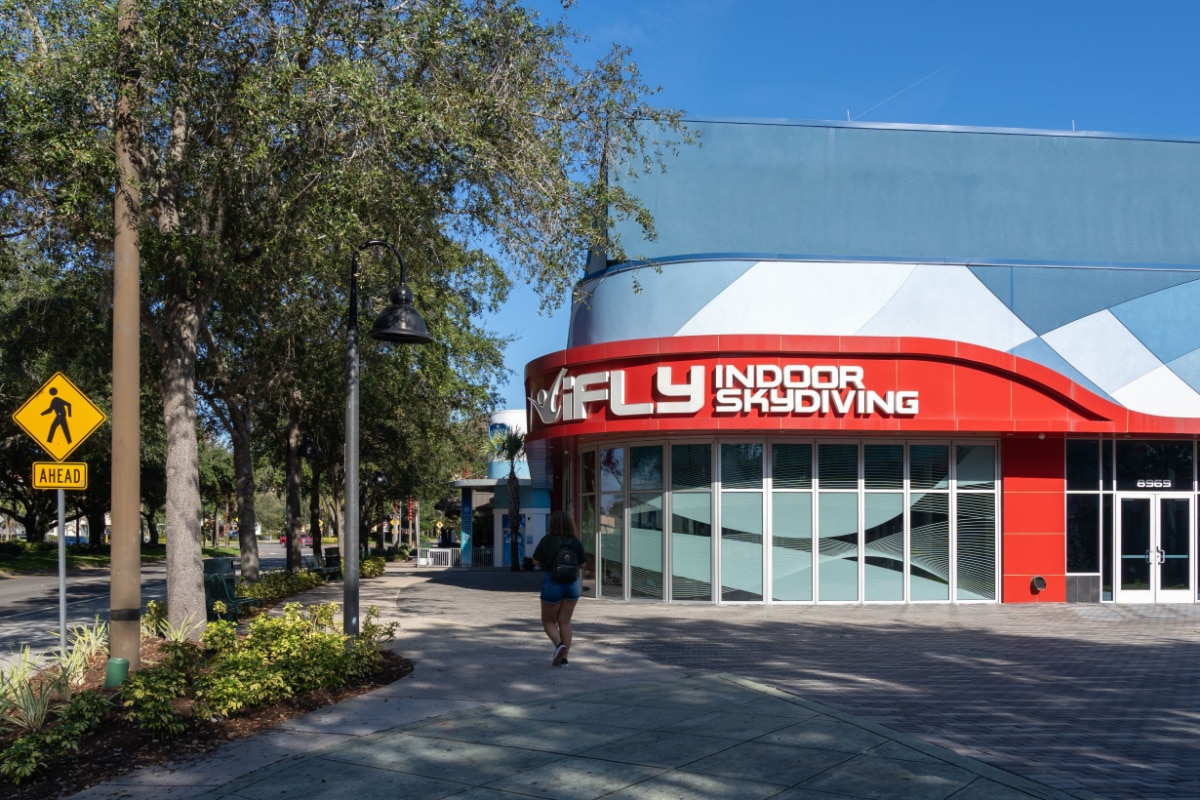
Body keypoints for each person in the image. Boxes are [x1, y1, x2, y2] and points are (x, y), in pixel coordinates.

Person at [531, 510, 586, 667]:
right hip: (572, 584)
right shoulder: (575, 541)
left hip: (552, 582)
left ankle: (558, 644)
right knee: (565, 622)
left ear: (552, 524)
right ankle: (564, 659)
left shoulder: (548, 540)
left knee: (548, 620)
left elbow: (535, 561)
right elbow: (582, 564)